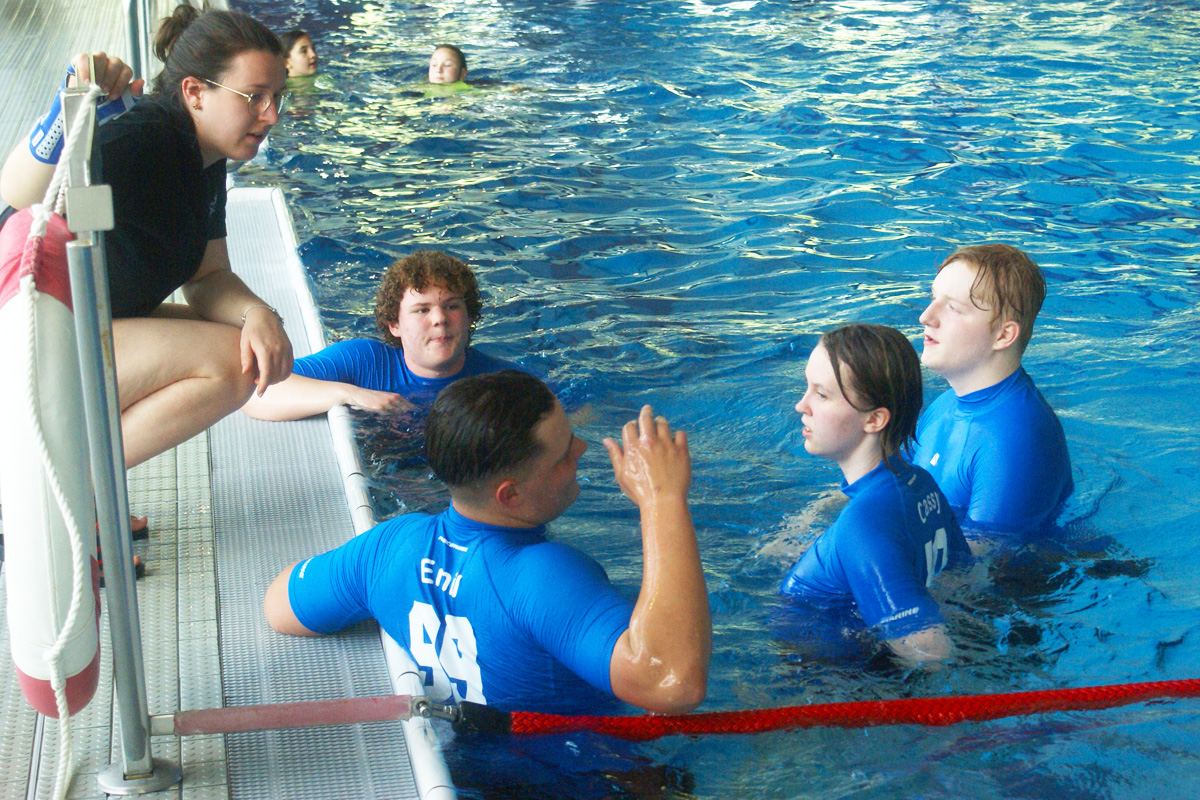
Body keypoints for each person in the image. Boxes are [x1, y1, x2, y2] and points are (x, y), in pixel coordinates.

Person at [265, 370, 711, 715]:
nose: (581, 449)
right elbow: (672, 685)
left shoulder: (389, 547)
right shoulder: (541, 576)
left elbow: (280, 607)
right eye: (563, 454)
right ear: (510, 495)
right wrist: (662, 499)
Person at [0, 7, 294, 471]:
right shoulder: (141, 137)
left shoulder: (205, 157)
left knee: (243, 341)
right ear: (194, 92)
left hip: (74, 328)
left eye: (277, 97)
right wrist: (65, 111)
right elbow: (19, 195)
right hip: (25, 347)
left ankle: (82, 486)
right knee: (231, 361)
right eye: (254, 97)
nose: (271, 114)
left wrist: (258, 314)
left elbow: (208, 276)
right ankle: (76, 492)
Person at [780, 324, 972, 668]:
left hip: (829, 680)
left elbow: (932, 652)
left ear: (874, 419)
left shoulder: (863, 523)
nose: (800, 405)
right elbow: (964, 576)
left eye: (821, 395)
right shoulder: (919, 483)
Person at [242, 250, 520, 421]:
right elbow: (255, 391)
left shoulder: (503, 384)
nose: (440, 319)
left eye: (452, 306)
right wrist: (351, 394)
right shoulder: (364, 362)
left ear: (469, 316)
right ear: (394, 325)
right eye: (422, 310)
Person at [912, 244, 1073, 538]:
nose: (926, 316)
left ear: (1003, 335)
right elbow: (892, 484)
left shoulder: (1014, 438)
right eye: (934, 298)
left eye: (953, 308)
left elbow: (983, 561)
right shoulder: (947, 404)